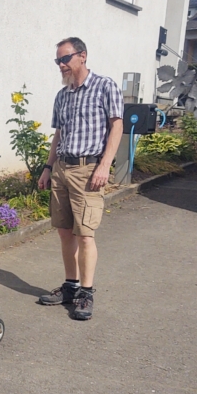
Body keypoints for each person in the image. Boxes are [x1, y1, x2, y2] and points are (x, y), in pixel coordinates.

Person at [36, 37, 123, 320]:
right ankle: (71, 286)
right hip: (62, 167)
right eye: (58, 60)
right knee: (64, 231)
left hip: (88, 170)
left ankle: (86, 292)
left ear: (82, 56)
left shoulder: (104, 86)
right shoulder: (62, 96)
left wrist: (104, 166)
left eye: (65, 59)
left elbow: (116, 127)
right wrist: (48, 168)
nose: (61, 65)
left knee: (85, 234)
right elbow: (58, 135)